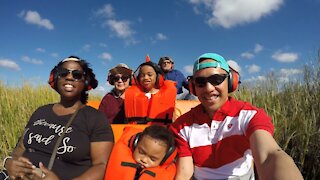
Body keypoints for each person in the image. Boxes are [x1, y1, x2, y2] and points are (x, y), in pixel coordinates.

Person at [169, 53, 303, 179]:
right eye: (200, 82)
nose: (209, 88)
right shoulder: (181, 126)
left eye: (216, 79)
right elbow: (184, 172)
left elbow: (270, 156)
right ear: (193, 87)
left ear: (230, 82)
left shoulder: (249, 116)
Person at [3, 56, 114, 179]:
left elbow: (100, 166)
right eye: (63, 73)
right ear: (56, 79)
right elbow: (21, 147)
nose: (69, 77)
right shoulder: (41, 111)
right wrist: (9, 162)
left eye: (77, 75)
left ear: (85, 82)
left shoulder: (96, 118)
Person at [104, 125, 177, 179]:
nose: (144, 160)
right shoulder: (114, 156)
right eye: (141, 152)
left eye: (152, 159)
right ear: (135, 144)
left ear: (165, 159)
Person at [124, 60, 177, 124]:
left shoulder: (168, 95)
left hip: (160, 132)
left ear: (158, 77)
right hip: (136, 131)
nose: (146, 78)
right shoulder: (131, 95)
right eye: (142, 75)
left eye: (149, 75)